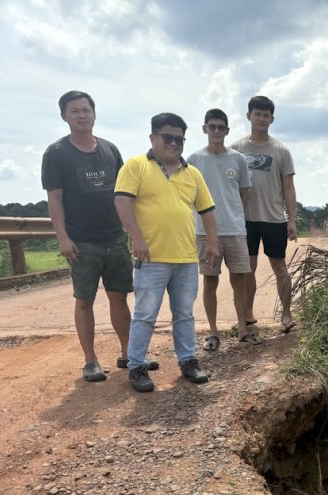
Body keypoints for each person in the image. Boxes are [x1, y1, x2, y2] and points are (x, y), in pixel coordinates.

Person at [42, 90, 150, 383]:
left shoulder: (110, 149)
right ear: (64, 116)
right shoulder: (56, 153)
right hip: (81, 240)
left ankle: (129, 354)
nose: (81, 115)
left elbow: (124, 193)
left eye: (86, 109)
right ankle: (90, 361)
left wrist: (131, 232)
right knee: (84, 299)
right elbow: (55, 198)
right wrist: (63, 237)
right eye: (74, 111)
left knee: (119, 296)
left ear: (94, 113)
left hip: (114, 236)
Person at [114, 113, 220, 393]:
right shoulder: (136, 167)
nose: (174, 143)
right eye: (168, 137)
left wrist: (212, 242)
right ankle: (136, 365)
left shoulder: (192, 173)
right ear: (153, 138)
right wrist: (136, 237)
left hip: (185, 257)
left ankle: (187, 361)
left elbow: (207, 210)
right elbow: (122, 202)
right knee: (145, 313)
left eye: (179, 139)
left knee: (184, 313)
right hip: (150, 257)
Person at [186, 108, 260, 350]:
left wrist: (234, 216)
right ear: (205, 129)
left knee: (240, 279)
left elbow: (243, 194)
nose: (216, 131)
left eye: (221, 127)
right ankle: (213, 332)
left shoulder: (237, 159)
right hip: (206, 232)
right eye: (212, 126)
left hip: (235, 230)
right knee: (210, 281)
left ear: (227, 131)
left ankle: (242, 328)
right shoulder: (194, 160)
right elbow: (188, 195)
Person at [232, 95, 298, 333]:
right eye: (257, 114)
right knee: (247, 269)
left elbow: (288, 187)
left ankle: (287, 314)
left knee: (280, 267)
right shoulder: (236, 149)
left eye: (266, 115)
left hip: (274, 218)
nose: (261, 118)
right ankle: (247, 316)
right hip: (245, 220)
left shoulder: (281, 150)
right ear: (249, 116)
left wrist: (292, 219)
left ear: (272, 119)